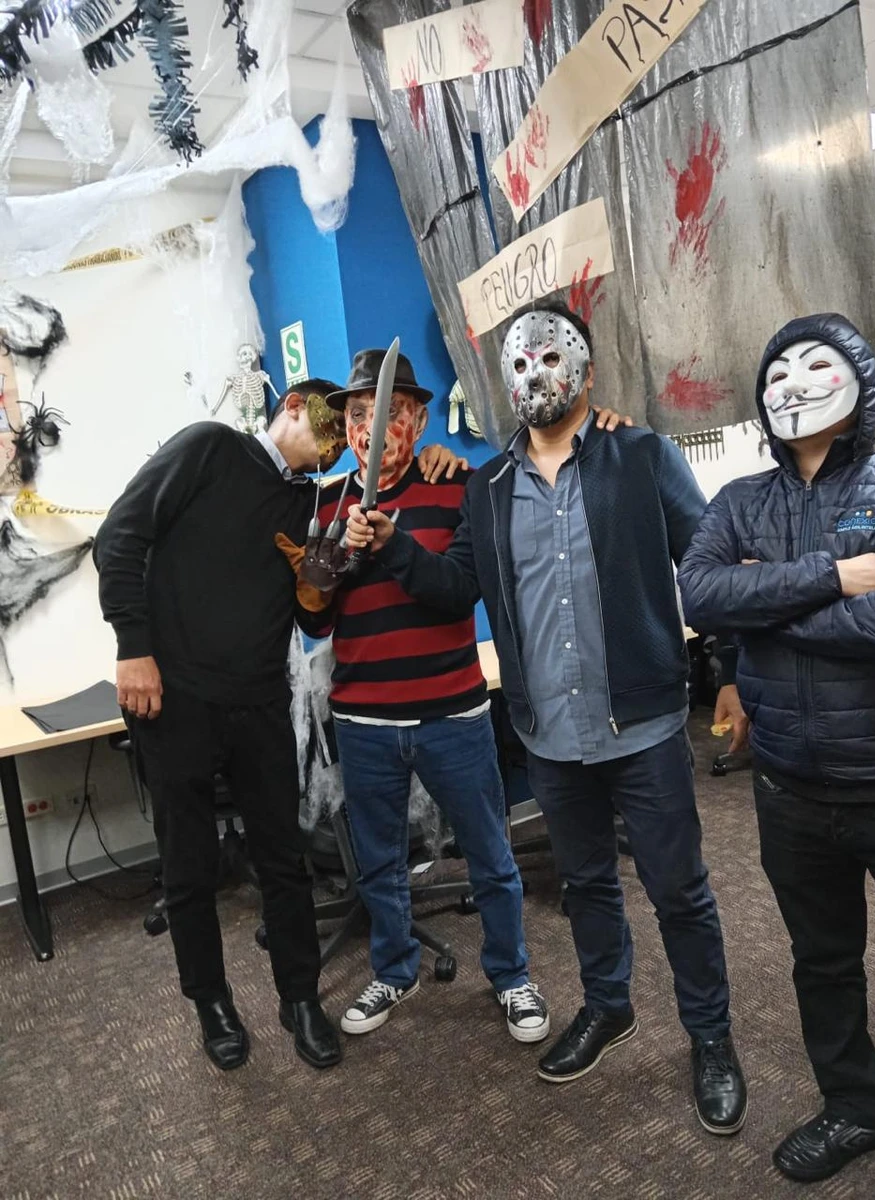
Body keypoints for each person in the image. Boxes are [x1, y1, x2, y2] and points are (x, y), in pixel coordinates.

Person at [345, 303, 748, 1135]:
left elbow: (708, 566)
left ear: (587, 371)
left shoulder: (640, 456)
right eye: (520, 363)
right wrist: (393, 543)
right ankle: (608, 1006)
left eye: (552, 358)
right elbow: (456, 588)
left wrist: (735, 672)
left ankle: (710, 1036)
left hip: (641, 726)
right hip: (550, 737)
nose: (535, 373)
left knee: (678, 891)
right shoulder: (487, 488)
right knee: (588, 885)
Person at [93, 379, 464, 1072]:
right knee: (189, 867)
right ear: (293, 405)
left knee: (283, 860)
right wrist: (132, 646)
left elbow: (309, 613)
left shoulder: (310, 504)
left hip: (262, 699)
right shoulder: (208, 449)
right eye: (330, 428)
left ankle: (300, 999)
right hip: (175, 698)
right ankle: (211, 1003)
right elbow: (119, 535)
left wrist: (321, 585)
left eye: (343, 440)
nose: (336, 446)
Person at [678, 313, 875, 1183]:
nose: (793, 383)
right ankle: (855, 1109)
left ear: (862, 382)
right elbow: (701, 595)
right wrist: (830, 578)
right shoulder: (740, 502)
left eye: (815, 365)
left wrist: (766, 611)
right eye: (777, 371)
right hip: (789, 787)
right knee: (823, 961)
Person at [278, 349, 551, 1042]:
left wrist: (393, 545)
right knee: (378, 863)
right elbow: (316, 624)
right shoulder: (328, 502)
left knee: (489, 854)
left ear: (419, 421)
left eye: (389, 413)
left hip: (451, 712)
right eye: (358, 415)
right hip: (364, 720)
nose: (371, 429)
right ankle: (394, 969)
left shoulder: (457, 486)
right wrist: (320, 579)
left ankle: (512, 973)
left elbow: (458, 591)